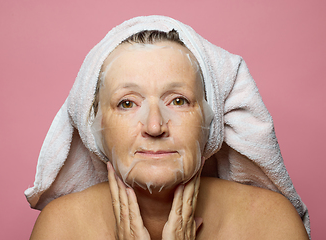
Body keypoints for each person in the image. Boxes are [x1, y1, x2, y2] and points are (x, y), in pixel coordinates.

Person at [26, 16, 310, 239]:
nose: (154, 125)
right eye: (127, 103)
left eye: (178, 100)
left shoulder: (268, 223)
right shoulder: (61, 228)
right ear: (94, 126)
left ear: (210, 121)